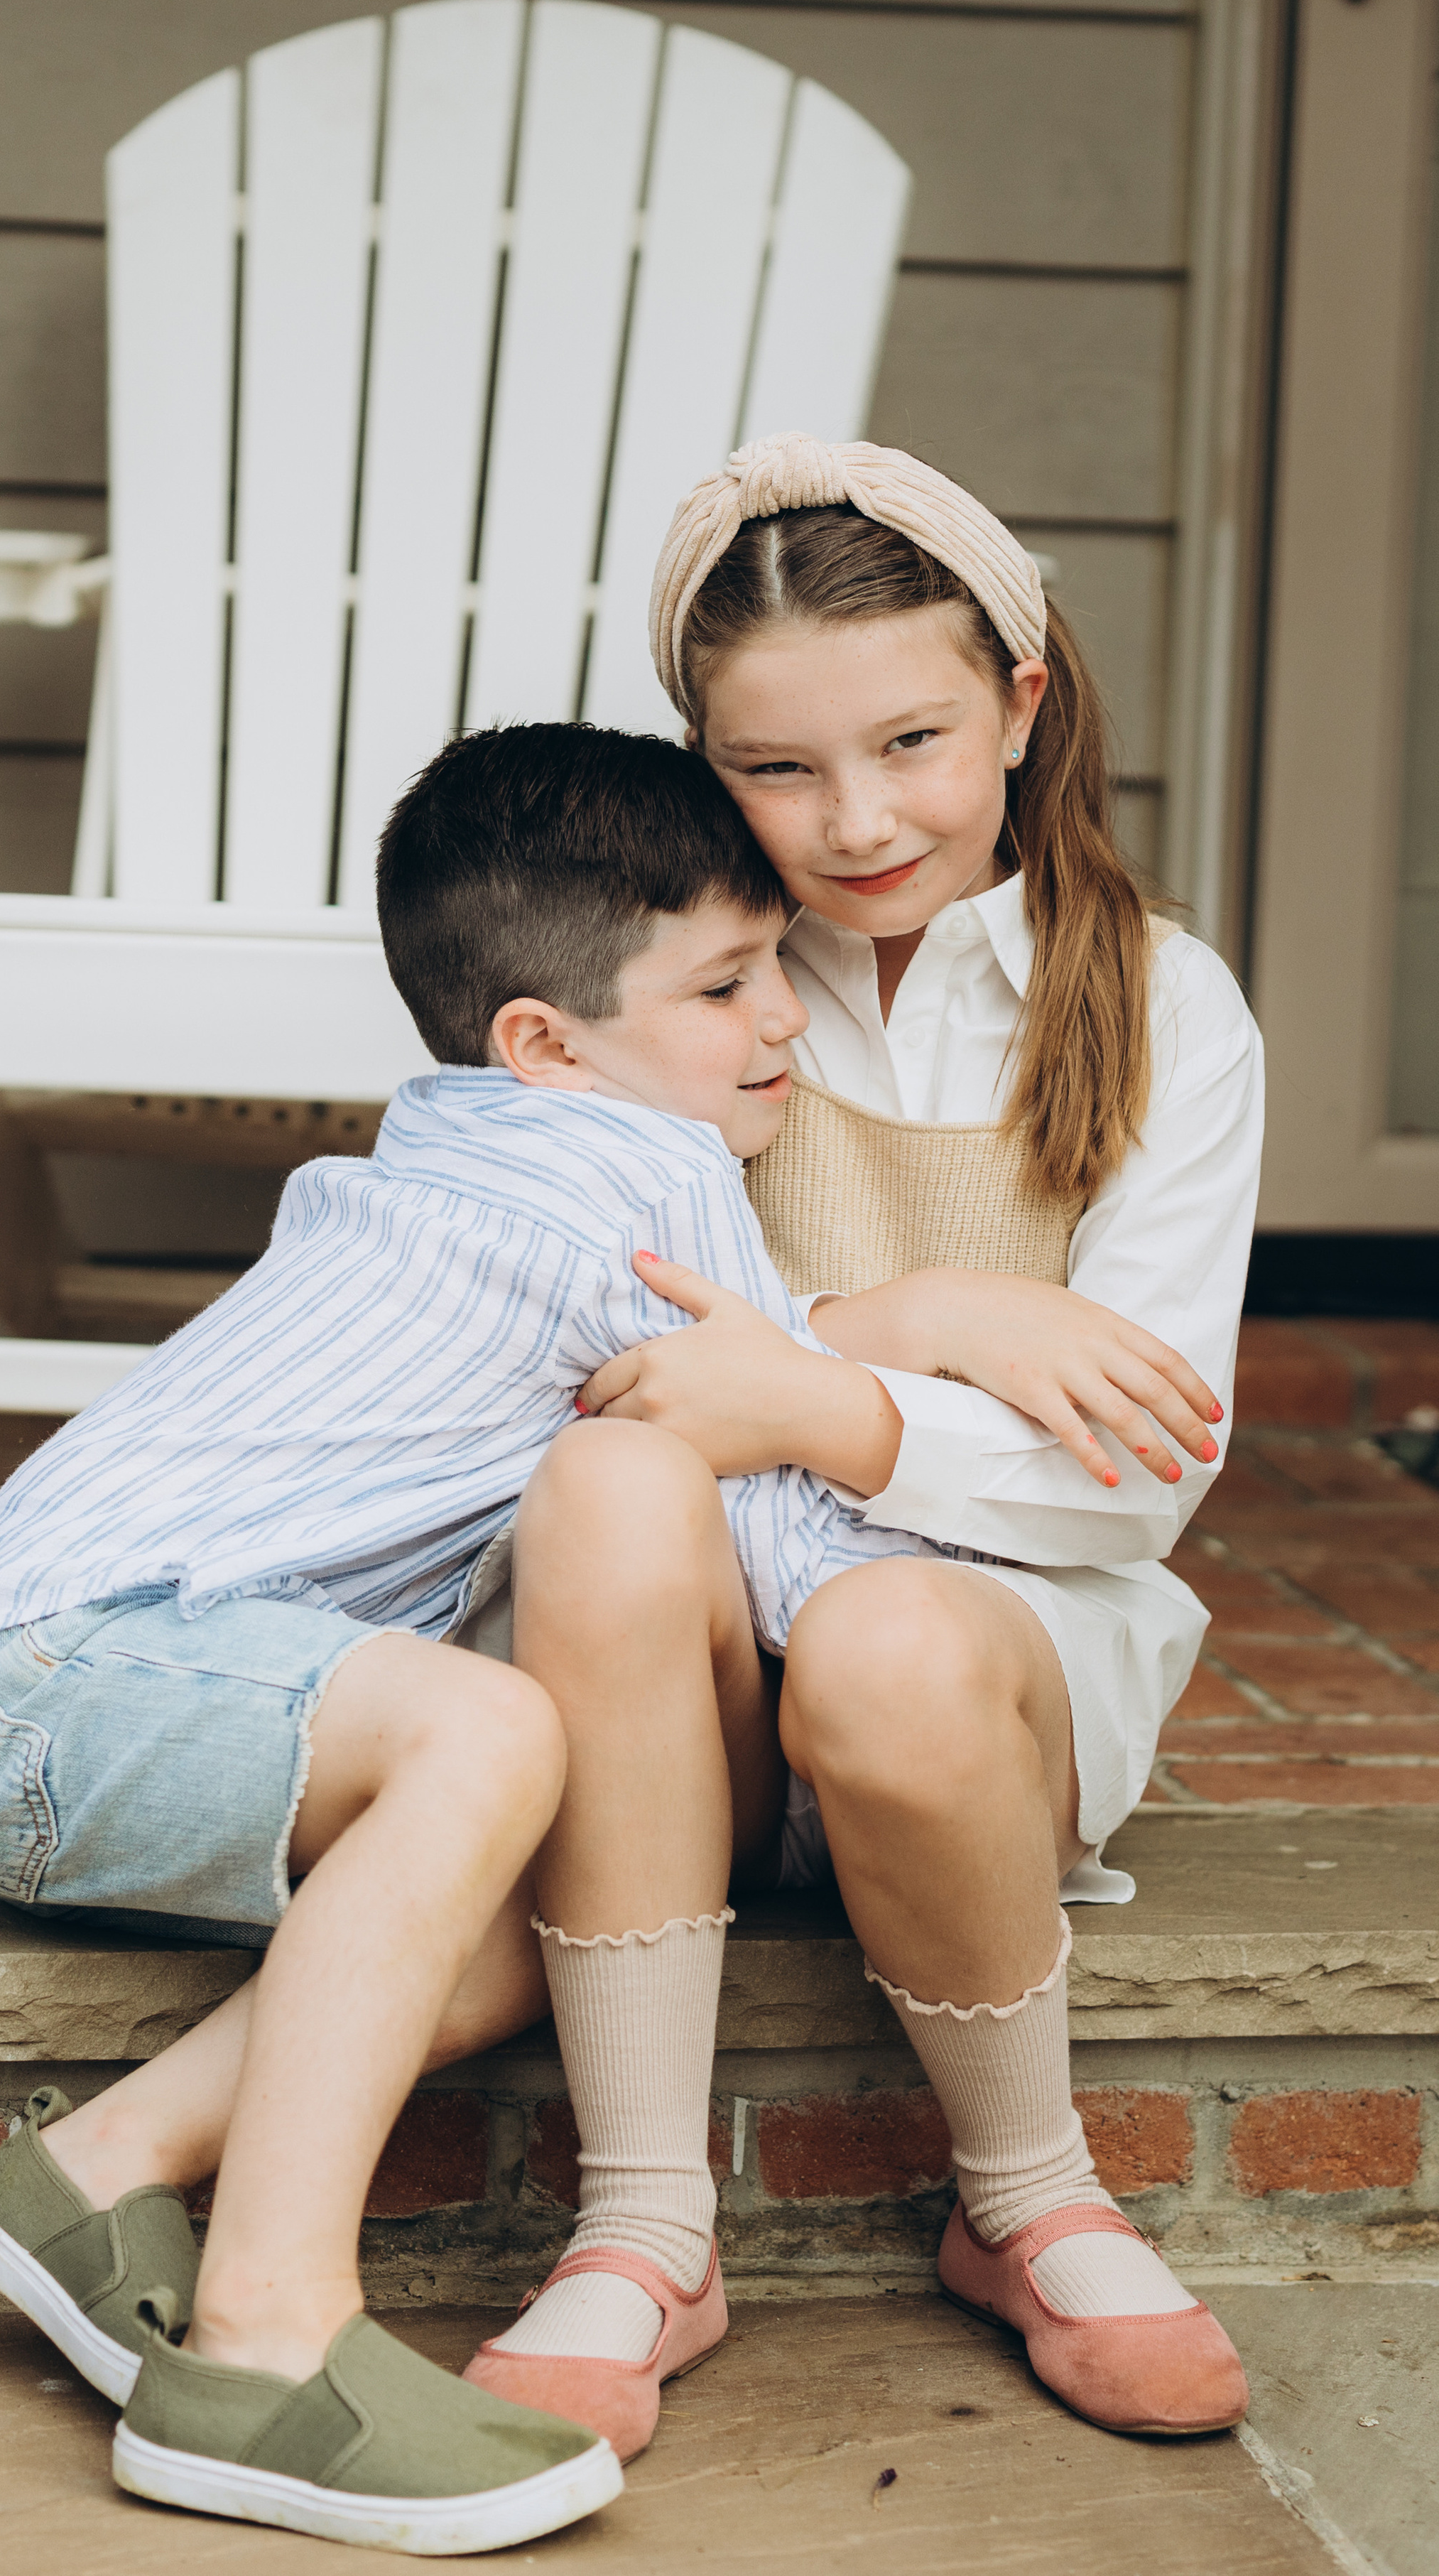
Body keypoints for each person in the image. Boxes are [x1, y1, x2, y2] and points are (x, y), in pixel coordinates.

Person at [0, 721, 986, 2543]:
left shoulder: (469, 1145)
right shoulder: (632, 1182)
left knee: (539, 1914)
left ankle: (95, 2172)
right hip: (65, 1671)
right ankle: (260, 2344)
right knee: (496, 1741)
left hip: (54, 1691)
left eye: (775, 967)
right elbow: (779, 1531)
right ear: (544, 1044)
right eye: (725, 984)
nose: (782, 1019)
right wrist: (937, 1331)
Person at [474, 435, 1261, 2446]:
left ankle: (1028, 2199)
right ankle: (646, 2224)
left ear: (1022, 695)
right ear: (697, 758)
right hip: (694, 1688)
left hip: (992, 1696)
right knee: (615, 1482)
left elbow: (1138, 1475)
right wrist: (926, 1329)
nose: (857, 818)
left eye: (912, 737)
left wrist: (811, 1396)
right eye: (777, 769)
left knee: (905, 1637)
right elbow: (569, 1357)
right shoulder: (654, 983)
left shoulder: (1164, 1009)